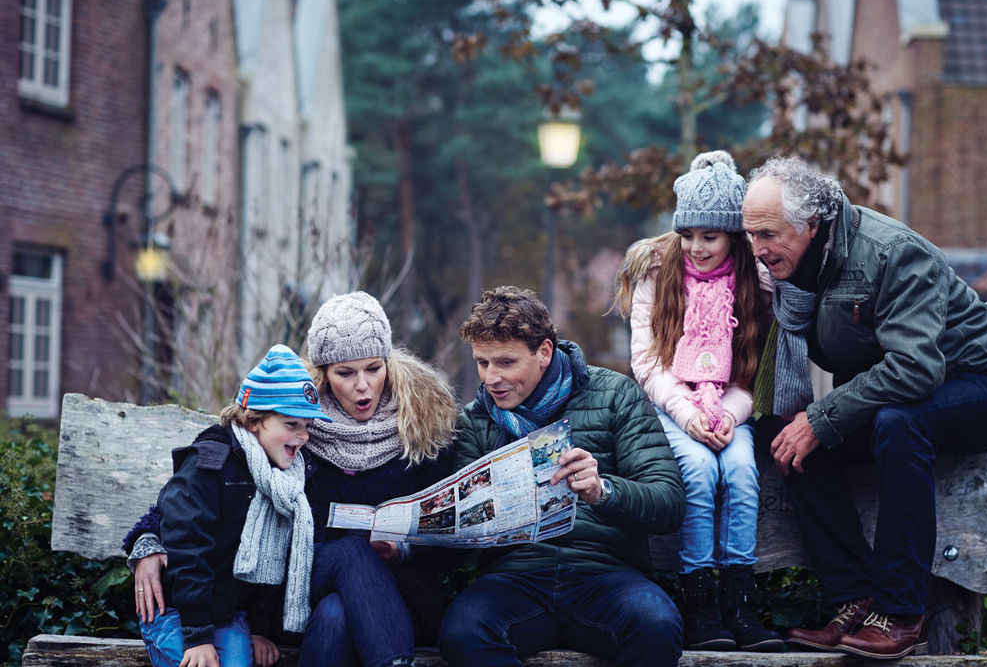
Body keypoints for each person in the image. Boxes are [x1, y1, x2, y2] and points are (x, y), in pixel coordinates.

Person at [740, 157, 987, 659]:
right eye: (750, 235)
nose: (757, 249)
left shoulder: (891, 252)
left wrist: (823, 417)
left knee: (897, 422)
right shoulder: (794, 276)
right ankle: (855, 600)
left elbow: (917, 369)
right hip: (906, 393)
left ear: (811, 224)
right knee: (783, 433)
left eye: (767, 233)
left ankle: (901, 614)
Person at [126, 291, 460, 667]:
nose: (363, 385)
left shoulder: (424, 428)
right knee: (349, 558)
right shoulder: (297, 421)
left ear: (388, 363)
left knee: (336, 614)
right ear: (324, 375)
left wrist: (404, 549)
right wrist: (147, 542)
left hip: (398, 594)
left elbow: (452, 532)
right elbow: (193, 494)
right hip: (300, 585)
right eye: (345, 373)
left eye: (373, 368)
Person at [437, 286, 687, 667]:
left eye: (505, 362)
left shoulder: (615, 395)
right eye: (482, 363)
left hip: (607, 574)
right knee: (463, 632)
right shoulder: (476, 419)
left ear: (545, 352)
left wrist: (603, 491)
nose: (490, 378)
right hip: (514, 578)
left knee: (656, 625)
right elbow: (459, 531)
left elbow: (668, 502)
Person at [613, 151, 782, 652]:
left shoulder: (757, 282)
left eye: (709, 236)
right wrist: (689, 415)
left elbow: (759, 366)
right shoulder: (658, 273)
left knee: (741, 473)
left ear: (732, 233)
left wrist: (729, 413)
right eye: (688, 235)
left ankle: (740, 602)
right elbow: (646, 361)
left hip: (732, 405)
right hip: (673, 407)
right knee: (699, 473)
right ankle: (700, 604)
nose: (696, 247)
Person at [139, 344, 326, 667]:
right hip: (177, 612)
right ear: (255, 421)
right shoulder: (211, 464)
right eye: (291, 424)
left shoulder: (285, 482)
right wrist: (197, 636)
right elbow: (186, 543)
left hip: (229, 614)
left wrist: (260, 630)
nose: (303, 436)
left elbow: (273, 563)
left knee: (238, 662)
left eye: (307, 426)